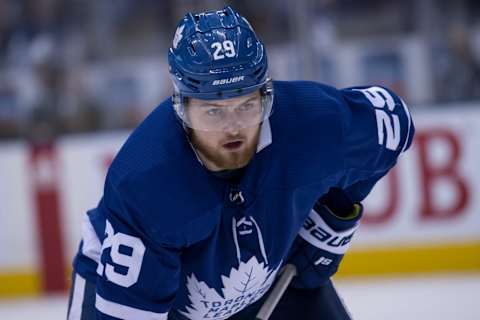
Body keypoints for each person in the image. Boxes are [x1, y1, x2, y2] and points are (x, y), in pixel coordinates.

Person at [67, 6, 414, 320]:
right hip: (149, 300)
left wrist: (331, 220)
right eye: (213, 111)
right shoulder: (147, 181)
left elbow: (394, 124)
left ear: (266, 95)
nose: (232, 127)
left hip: (270, 281)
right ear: (181, 106)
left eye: (247, 106)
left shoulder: (311, 123)